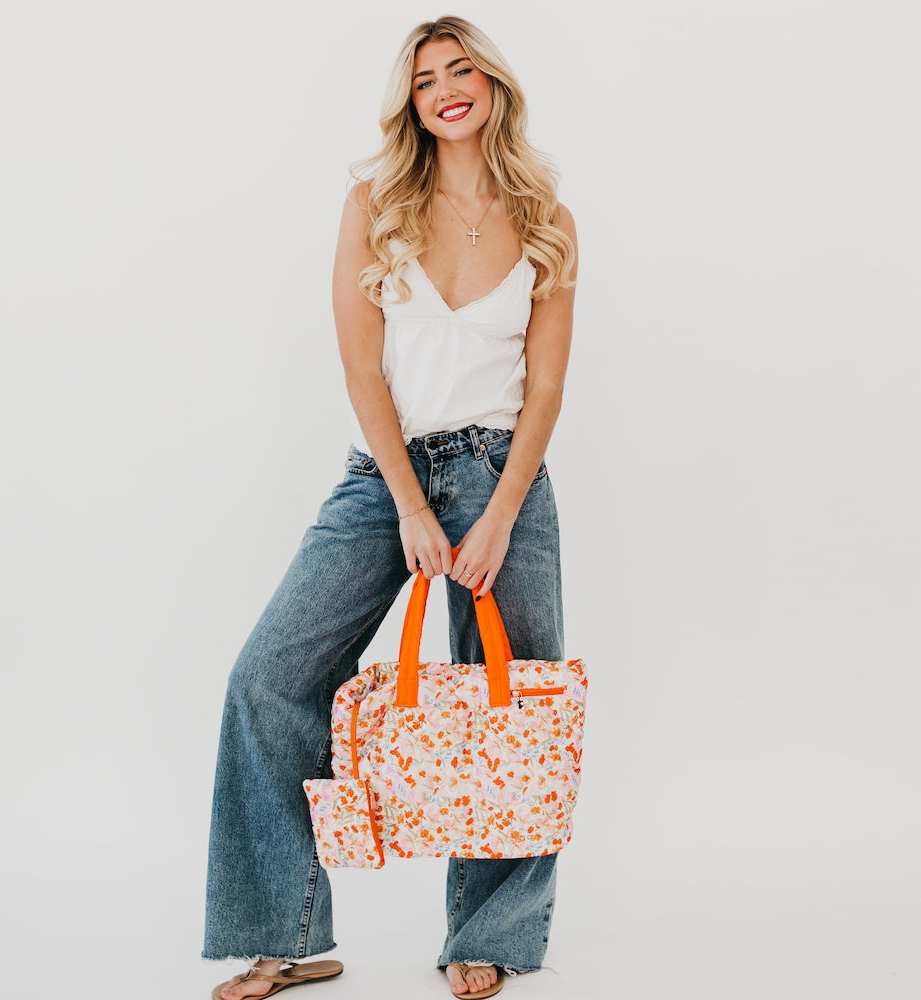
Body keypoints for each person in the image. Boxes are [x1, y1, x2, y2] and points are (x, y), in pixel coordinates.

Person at [203, 15, 578, 1000]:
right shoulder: (375, 202)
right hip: (386, 477)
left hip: (505, 477)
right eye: (424, 80)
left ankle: (488, 937)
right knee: (267, 676)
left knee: (511, 709)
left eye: (460, 70)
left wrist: (499, 512)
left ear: (492, 84)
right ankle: (285, 938)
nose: (445, 89)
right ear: (409, 102)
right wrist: (411, 506)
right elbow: (362, 369)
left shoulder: (546, 215)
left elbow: (544, 389)